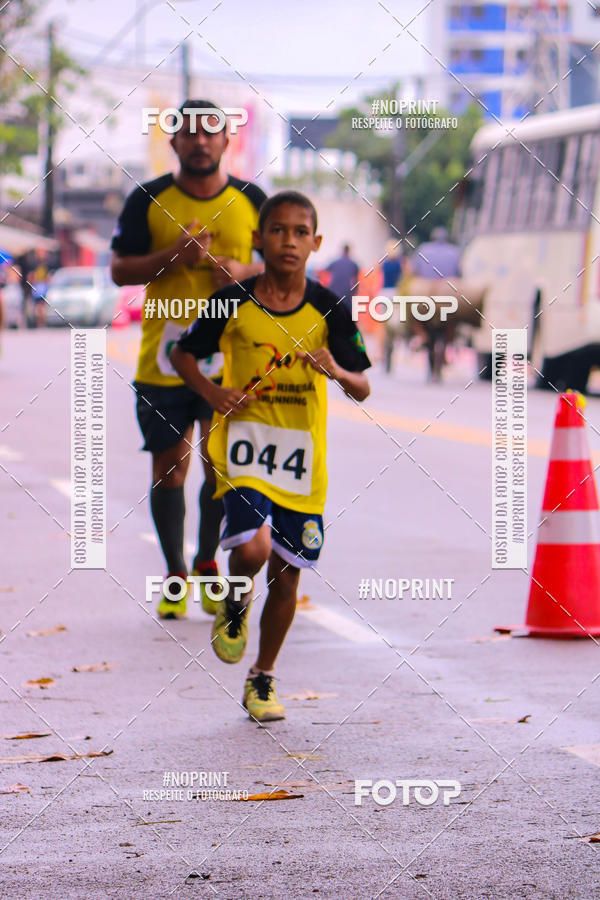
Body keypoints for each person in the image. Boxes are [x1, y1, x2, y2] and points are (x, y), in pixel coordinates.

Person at [169, 190, 371, 722]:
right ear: (259, 239)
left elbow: (363, 386)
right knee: (255, 551)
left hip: (302, 464)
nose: (289, 241)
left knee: (288, 573)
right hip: (243, 450)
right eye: (278, 230)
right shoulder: (232, 300)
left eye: (301, 232)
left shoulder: (330, 308)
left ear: (316, 243)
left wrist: (338, 371)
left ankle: (262, 678)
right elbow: (181, 353)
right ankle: (236, 604)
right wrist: (212, 394)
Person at [110, 99, 266, 620]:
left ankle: (205, 564)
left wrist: (243, 272)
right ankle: (175, 572)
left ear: (227, 142)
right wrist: (172, 256)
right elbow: (119, 271)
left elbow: (277, 269)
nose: (200, 141)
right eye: (189, 133)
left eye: (211, 132)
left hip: (230, 359)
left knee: (219, 470)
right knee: (169, 469)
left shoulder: (252, 200)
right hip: (164, 362)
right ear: (173, 142)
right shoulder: (148, 200)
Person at [411, 226, 461, 383]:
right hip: (447, 293)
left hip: (425, 293)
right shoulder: (454, 251)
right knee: (453, 320)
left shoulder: (422, 249)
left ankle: (421, 335)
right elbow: (459, 273)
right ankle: (448, 343)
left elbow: (414, 271)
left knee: (414, 312)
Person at [326, 244, 359, 310]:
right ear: (349, 251)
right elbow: (356, 281)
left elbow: (325, 274)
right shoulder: (353, 264)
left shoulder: (334, 262)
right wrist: (355, 292)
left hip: (334, 292)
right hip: (347, 293)